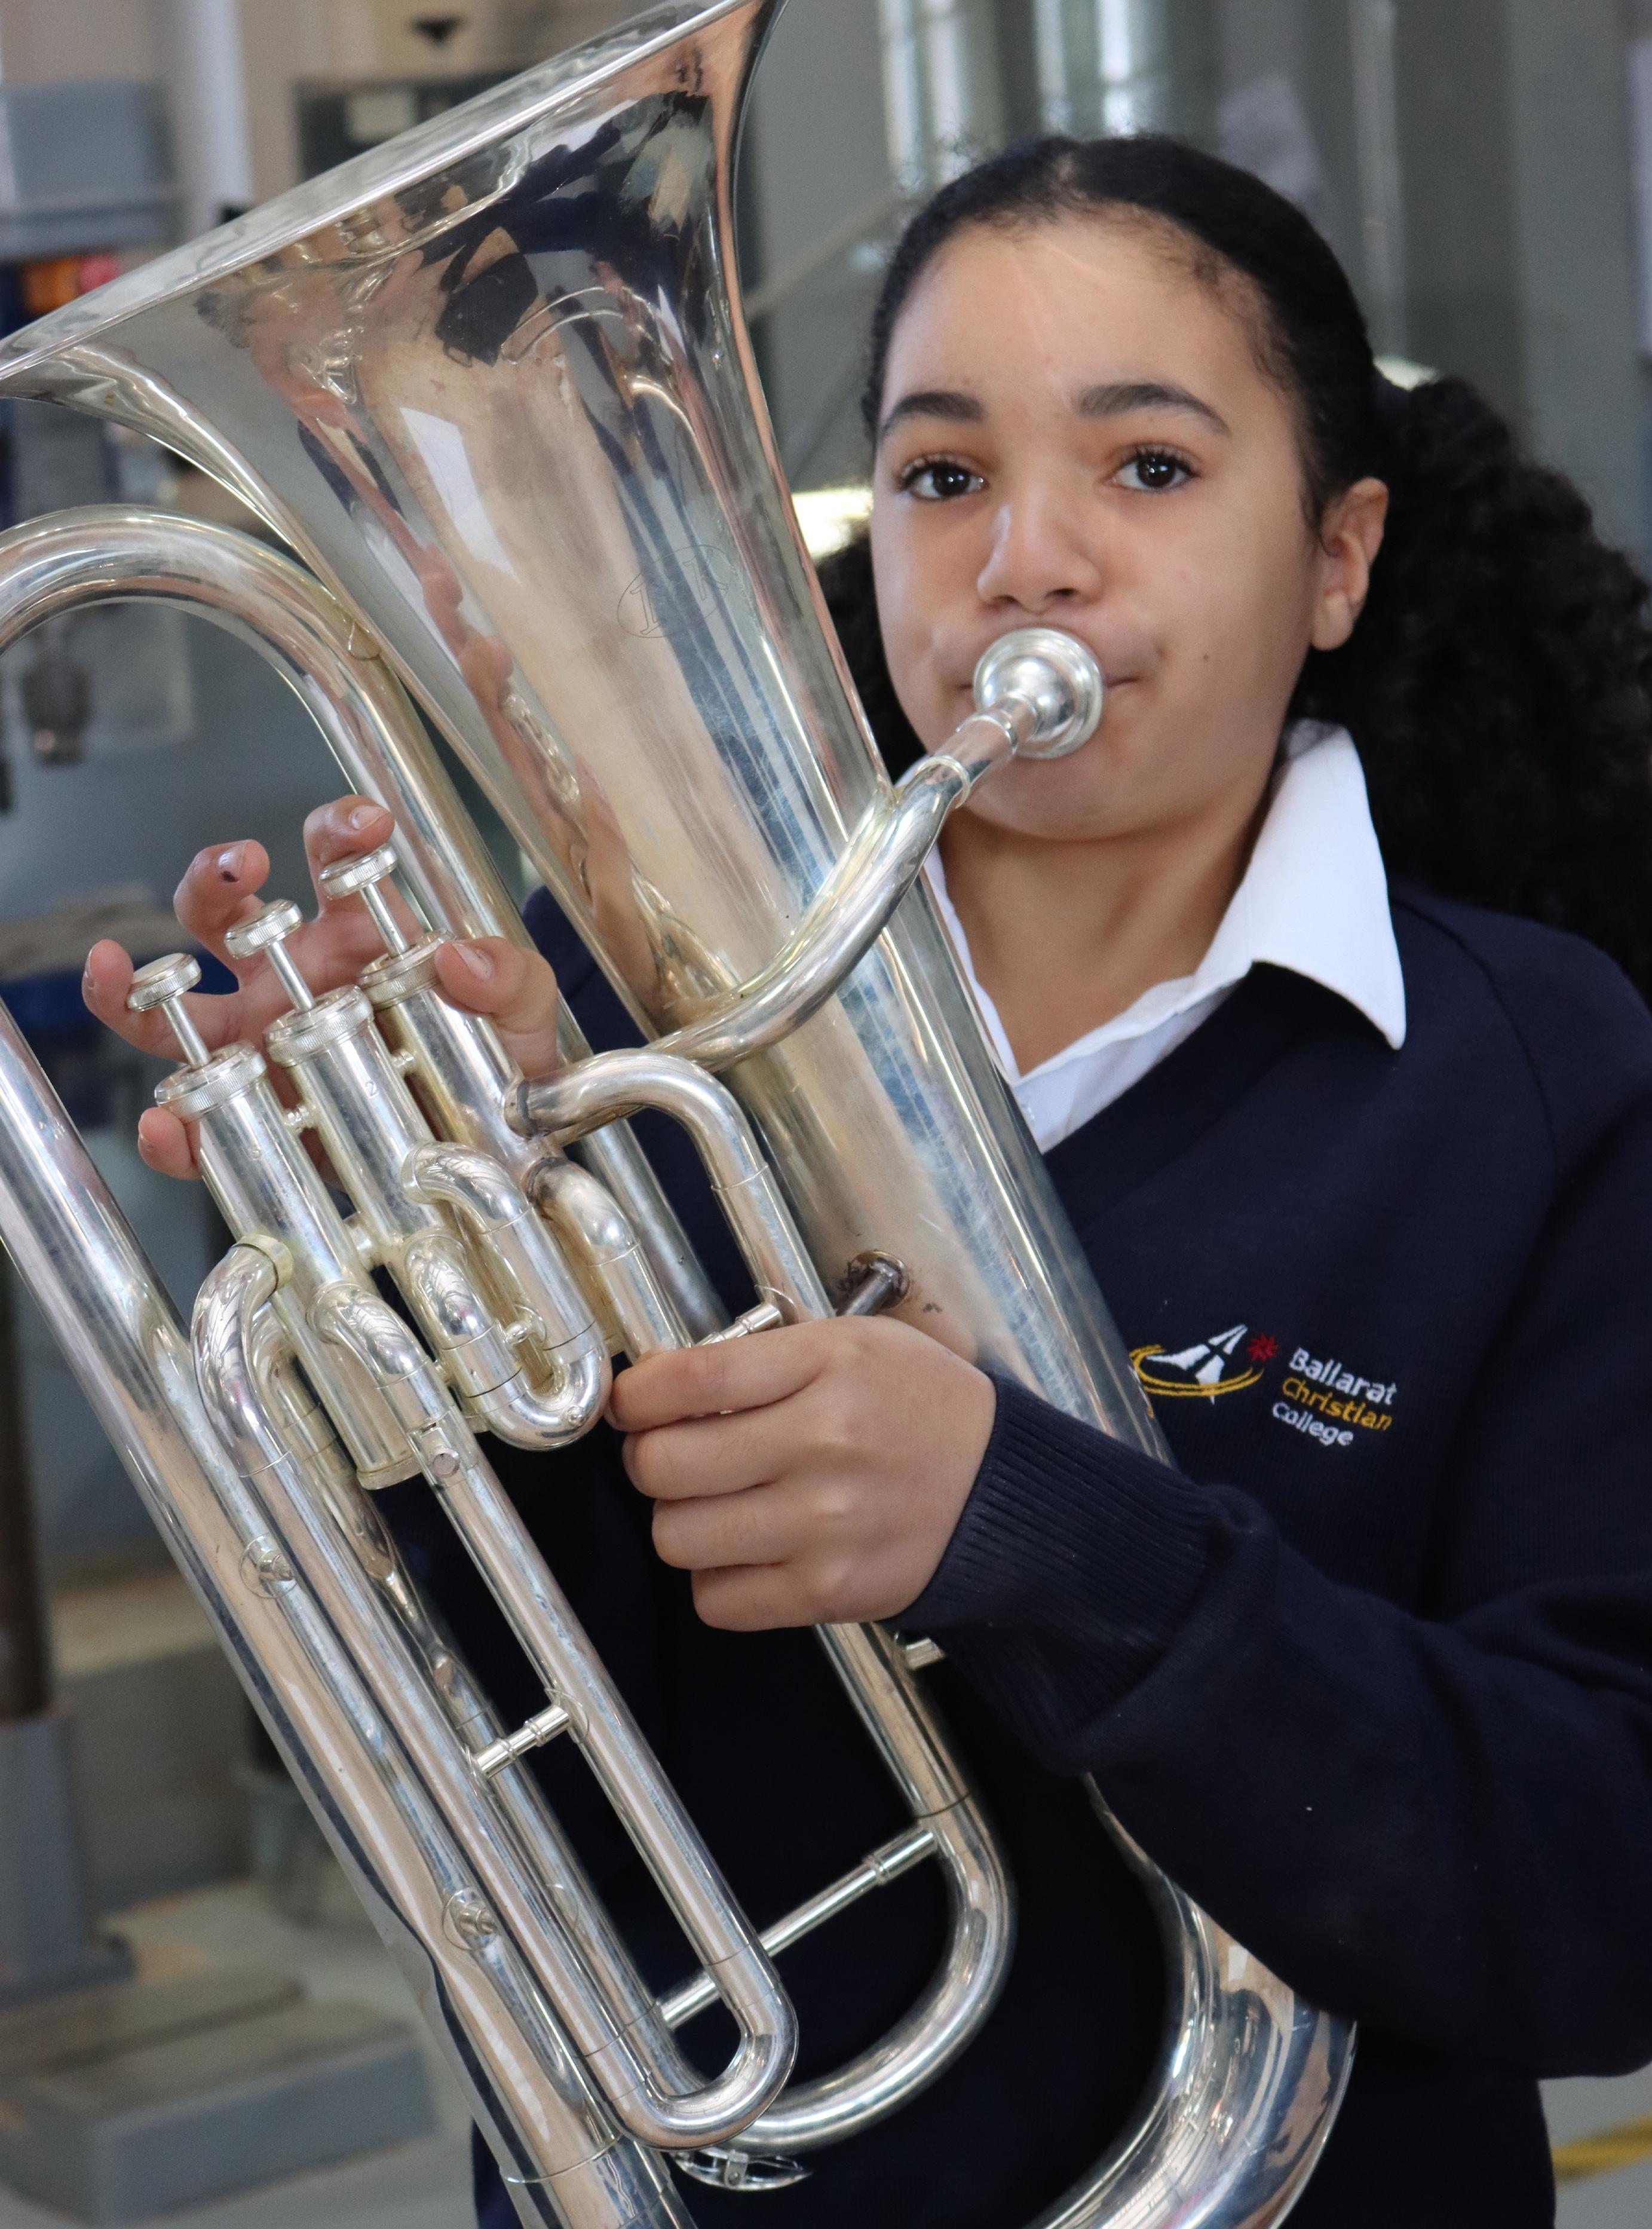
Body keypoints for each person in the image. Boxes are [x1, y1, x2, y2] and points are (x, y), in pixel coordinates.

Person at [86, 134, 1652, 2229]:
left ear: (1339, 555)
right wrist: (399, 1281)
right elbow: (499, 1733)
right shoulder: (611, 1004)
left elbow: (1597, 1885)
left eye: (1151, 468)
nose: (1027, 558)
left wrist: (1026, 1524)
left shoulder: (1540, 1082)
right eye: (940, 473)